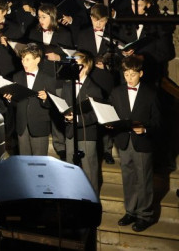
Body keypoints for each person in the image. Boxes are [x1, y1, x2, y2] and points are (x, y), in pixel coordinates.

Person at [107, 56, 160, 232]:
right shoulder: (116, 92)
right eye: (126, 74)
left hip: (142, 142)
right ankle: (130, 211)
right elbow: (111, 114)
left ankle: (145, 215)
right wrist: (109, 123)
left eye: (133, 74)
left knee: (143, 179)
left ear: (141, 73)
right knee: (128, 178)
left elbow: (159, 122)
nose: (129, 78)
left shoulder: (151, 93)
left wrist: (145, 130)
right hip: (123, 141)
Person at [58, 50, 105, 195]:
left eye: (76, 65)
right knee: (70, 169)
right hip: (71, 134)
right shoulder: (67, 86)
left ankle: (92, 201)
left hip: (86, 135)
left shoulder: (94, 89)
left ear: (85, 67)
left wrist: (77, 119)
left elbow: (98, 115)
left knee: (89, 170)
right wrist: (65, 116)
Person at [9, 44, 57, 156]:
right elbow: (17, 102)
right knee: (24, 163)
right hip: (22, 126)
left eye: (27, 59)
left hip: (39, 126)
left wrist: (46, 98)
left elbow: (54, 105)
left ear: (37, 60)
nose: (24, 62)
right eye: (22, 59)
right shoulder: (17, 77)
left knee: (39, 163)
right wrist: (10, 99)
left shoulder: (48, 78)